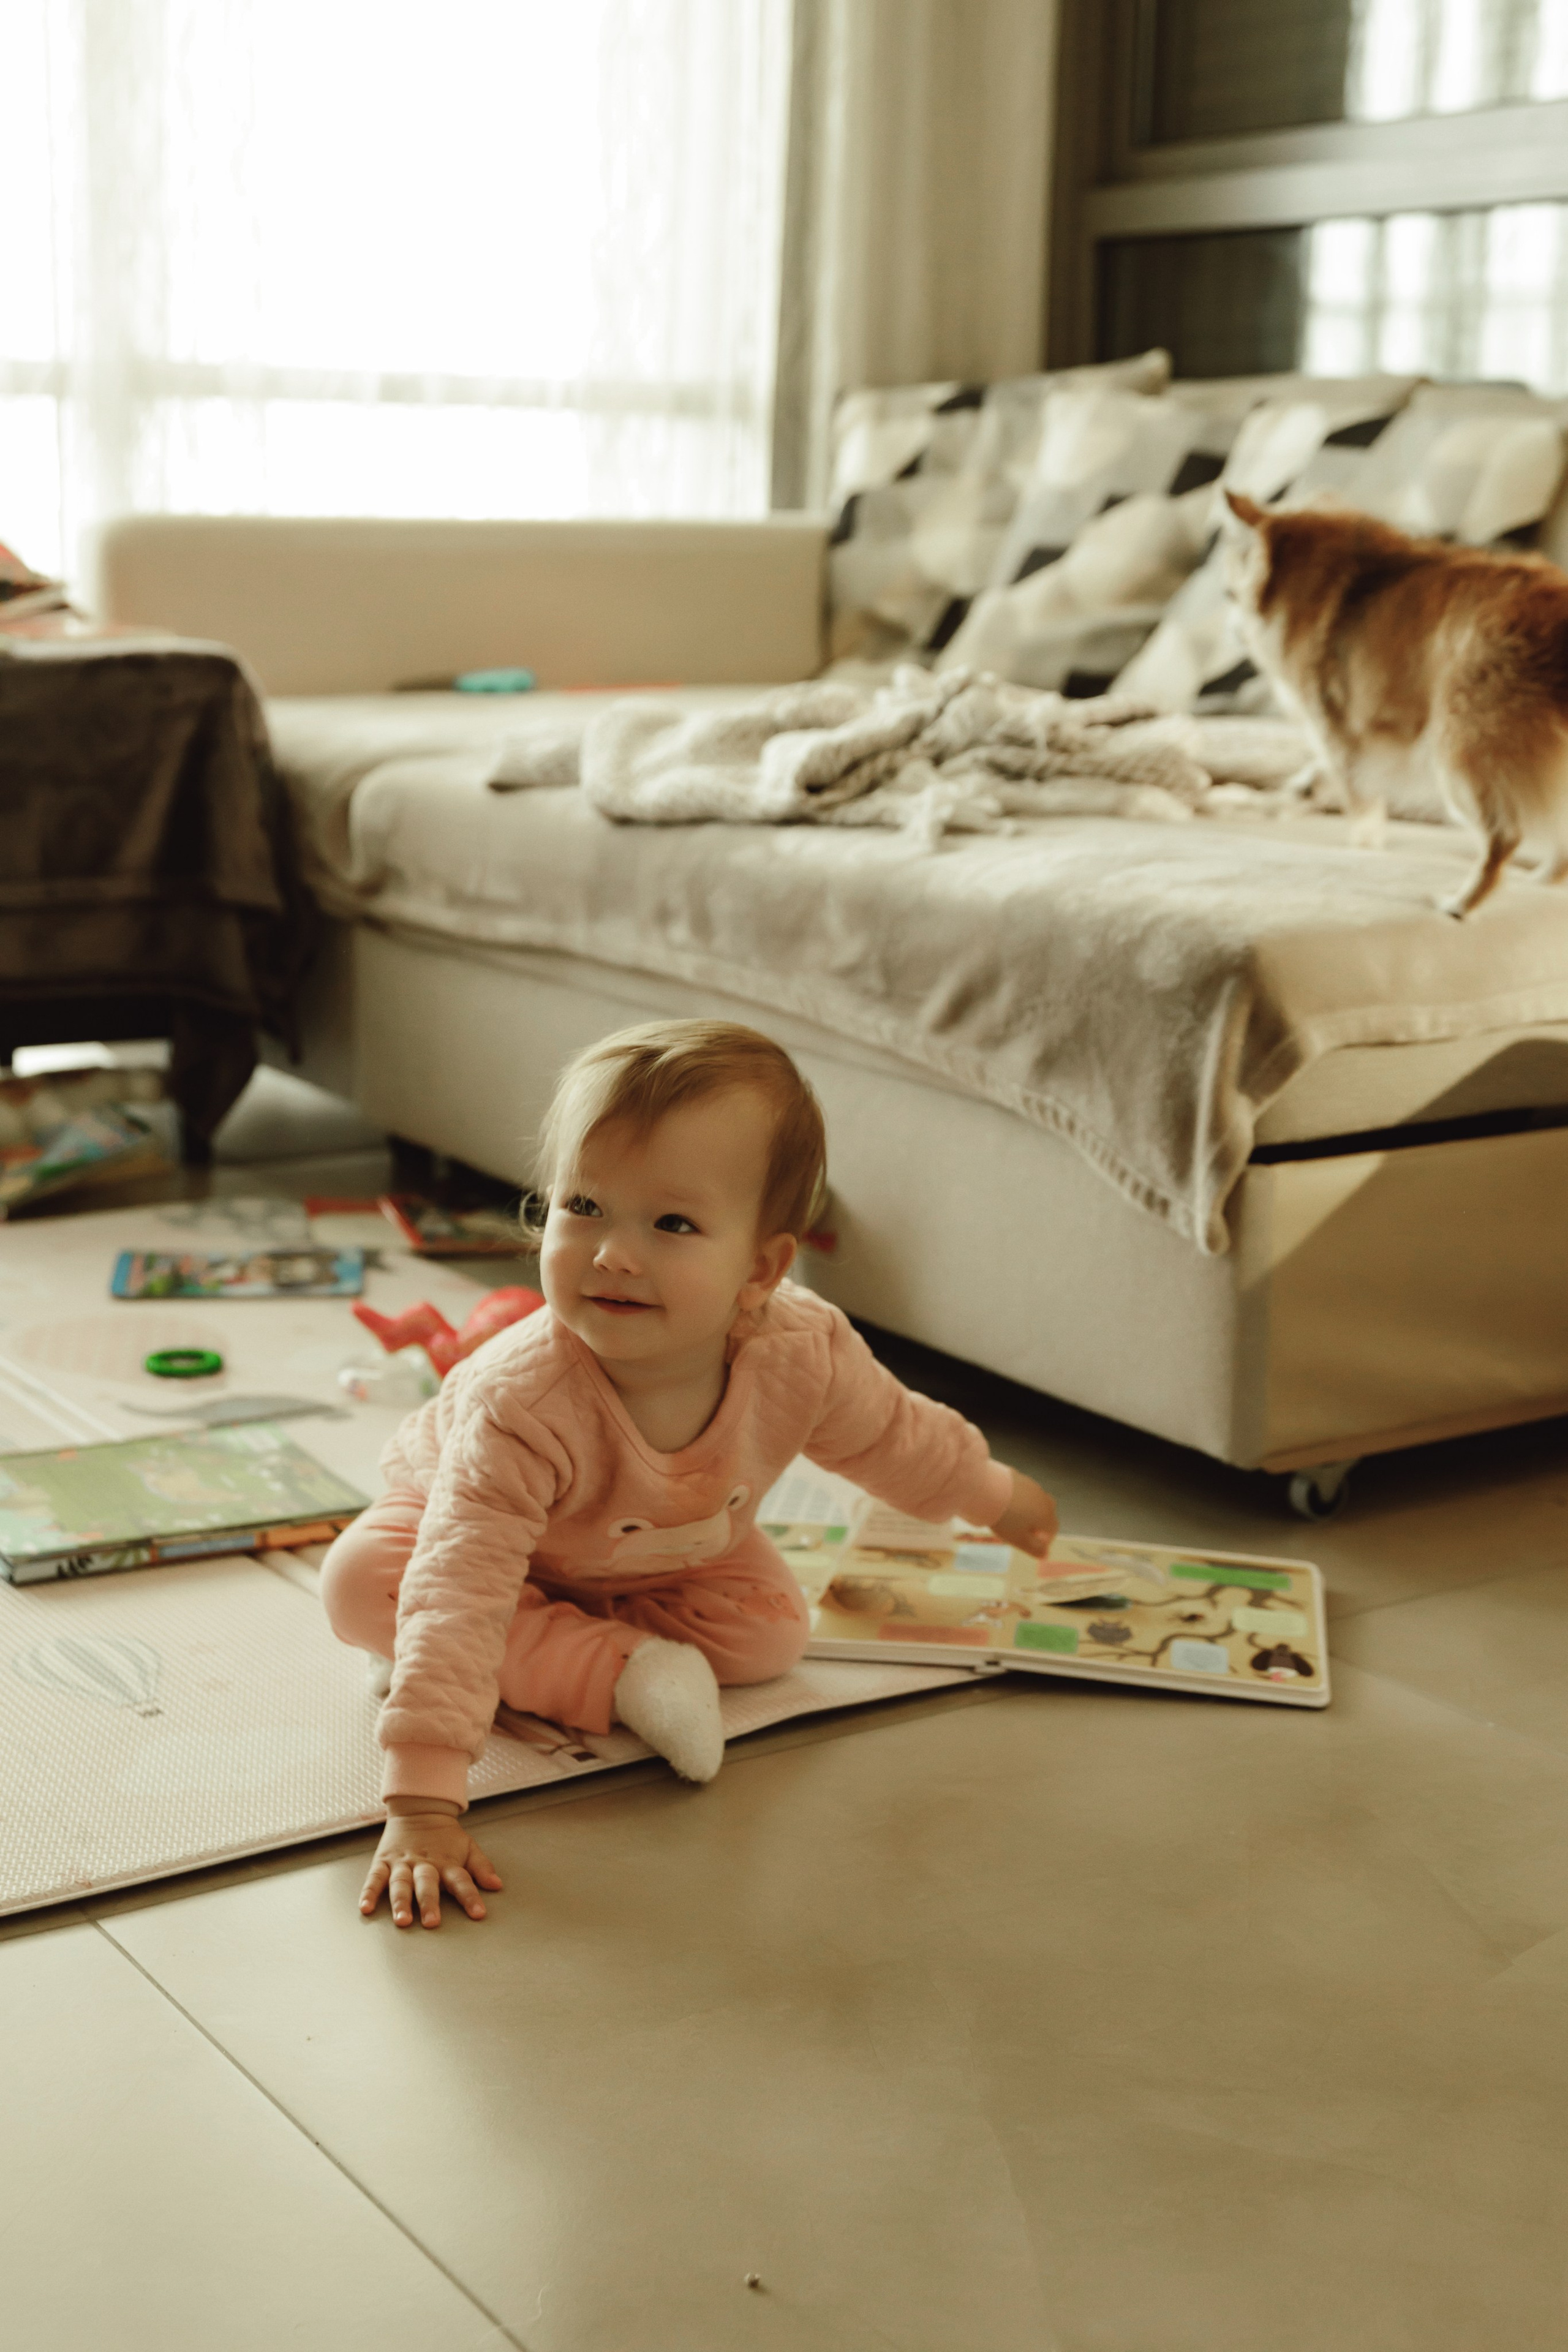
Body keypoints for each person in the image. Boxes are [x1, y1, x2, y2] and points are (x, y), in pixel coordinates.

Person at [322, 1019, 1058, 1929]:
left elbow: (892, 1437)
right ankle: (622, 1669)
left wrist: (994, 1494)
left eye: (671, 1223)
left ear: (762, 1267)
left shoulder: (803, 1350)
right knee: (361, 1586)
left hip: (669, 1558)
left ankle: (565, 1643)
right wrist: (424, 1803)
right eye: (582, 1207)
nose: (613, 1253)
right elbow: (461, 1583)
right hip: (465, 1532)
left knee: (775, 1637)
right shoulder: (522, 1401)